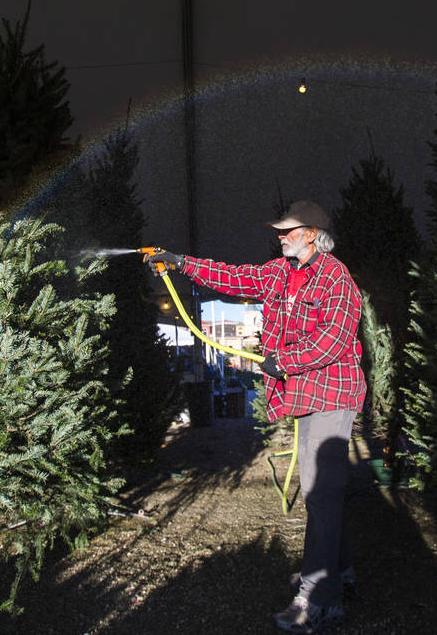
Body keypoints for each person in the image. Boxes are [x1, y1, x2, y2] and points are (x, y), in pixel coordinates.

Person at [146, 199, 366, 633]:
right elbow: (233, 276)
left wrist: (283, 361)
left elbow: (334, 341)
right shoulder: (281, 273)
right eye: (280, 231)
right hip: (307, 392)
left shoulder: (336, 278)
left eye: (288, 231)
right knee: (321, 492)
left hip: (332, 393)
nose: (280, 236)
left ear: (312, 235)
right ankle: (338, 572)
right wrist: (179, 263)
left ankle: (320, 600)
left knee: (320, 493)